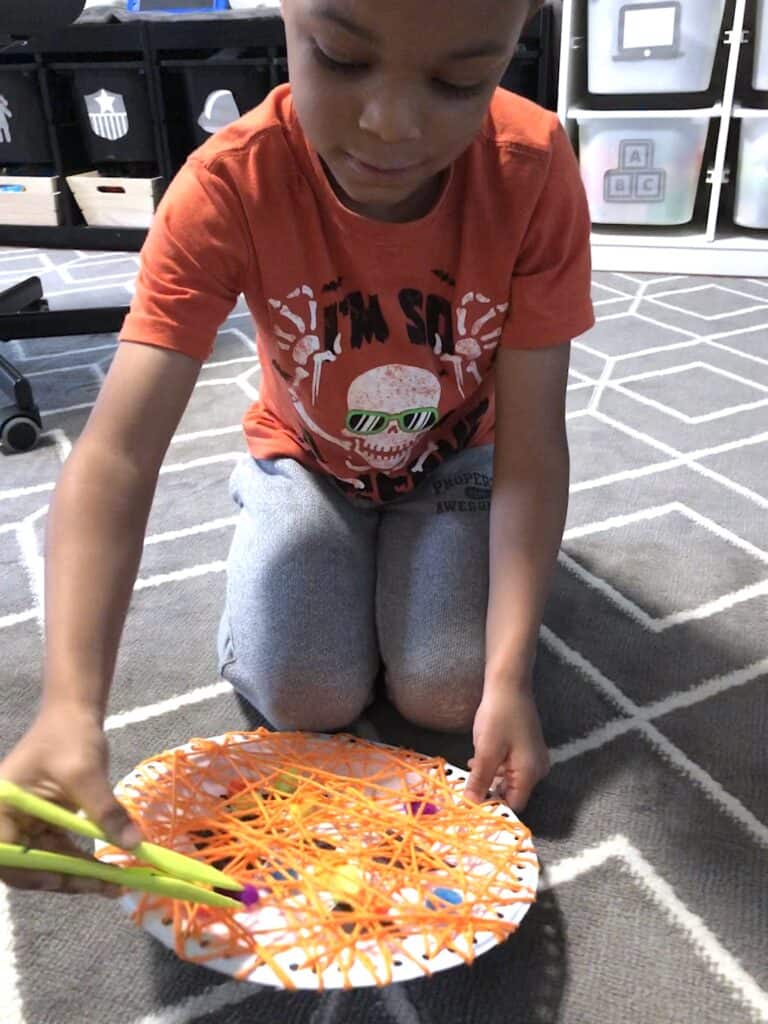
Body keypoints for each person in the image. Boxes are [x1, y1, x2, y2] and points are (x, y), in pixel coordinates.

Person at [0, 0, 594, 896]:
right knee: (305, 691)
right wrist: (70, 706)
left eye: (461, 80)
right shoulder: (230, 182)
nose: (390, 125)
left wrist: (512, 677)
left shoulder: (533, 165)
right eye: (340, 58)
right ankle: (288, 518)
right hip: (307, 459)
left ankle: (414, 577)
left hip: (461, 461)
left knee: (452, 691)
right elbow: (116, 453)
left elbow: (535, 448)